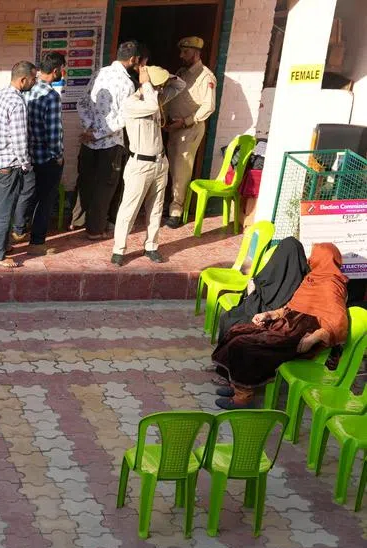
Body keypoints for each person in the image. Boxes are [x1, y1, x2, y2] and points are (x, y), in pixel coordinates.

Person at [212, 243, 349, 410]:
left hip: (300, 334)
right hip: (285, 325)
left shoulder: (331, 285)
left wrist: (315, 337)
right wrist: (270, 315)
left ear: (323, 259)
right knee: (236, 331)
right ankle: (236, 385)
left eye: (314, 256)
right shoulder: (312, 279)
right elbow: (290, 308)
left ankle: (243, 397)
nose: (310, 259)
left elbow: (338, 322)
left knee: (245, 346)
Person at [110, 66, 185, 267]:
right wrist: (145, 82)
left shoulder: (156, 97)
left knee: (156, 208)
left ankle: (151, 246)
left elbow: (180, 85)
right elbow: (151, 106)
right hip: (139, 164)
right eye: (157, 85)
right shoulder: (132, 103)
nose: (160, 90)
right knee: (129, 209)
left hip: (160, 162)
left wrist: (167, 75)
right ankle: (119, 249)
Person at [75, 40, 141, 240]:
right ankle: (95, 229)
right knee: (105, 186)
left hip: (89, 141)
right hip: (109, 143)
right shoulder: (128, 84)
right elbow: (124, 117)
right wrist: (97, 133)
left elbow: (83, 102)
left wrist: (89, 128)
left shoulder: (99, 73)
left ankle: (79, 221)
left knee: (86, 181)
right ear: (132, 59)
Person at [0, 61, 37, 267]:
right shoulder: (17, 102)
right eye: (33, 79)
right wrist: (26, 164)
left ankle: (3, 245)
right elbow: (19, 138)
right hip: (9, 164)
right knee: (5, 211)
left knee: (0, 207)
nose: (34, 83)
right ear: (23, 80)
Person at [13, 52, 66, 257]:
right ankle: (36, 243)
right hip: (46, 156)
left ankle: (17, 231)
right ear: (55, 70)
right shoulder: (51, 96)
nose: (64, 72)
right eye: (63, 69)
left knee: (27, 194)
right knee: (45, 199)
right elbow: (54, 131)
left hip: (27, 154)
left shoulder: (26, 90)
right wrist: (58, 154)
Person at [164, 36, 217, 228]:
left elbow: (208, 107)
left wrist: (186, 121)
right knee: (172, 166)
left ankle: (176, 211)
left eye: (185, 52)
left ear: (196, 53)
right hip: (174, 128)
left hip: (189, 129)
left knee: (181, 169)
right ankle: (171, 203)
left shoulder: (206, 76)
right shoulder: (182, 72)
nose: (181, 55)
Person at [215, 237, 309, 341]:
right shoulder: (304, 280)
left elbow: (257, 306)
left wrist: (251, 292)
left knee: (229, 320)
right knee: (229, 319)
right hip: (269, 317)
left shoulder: (273, 273)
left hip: (265, 320)